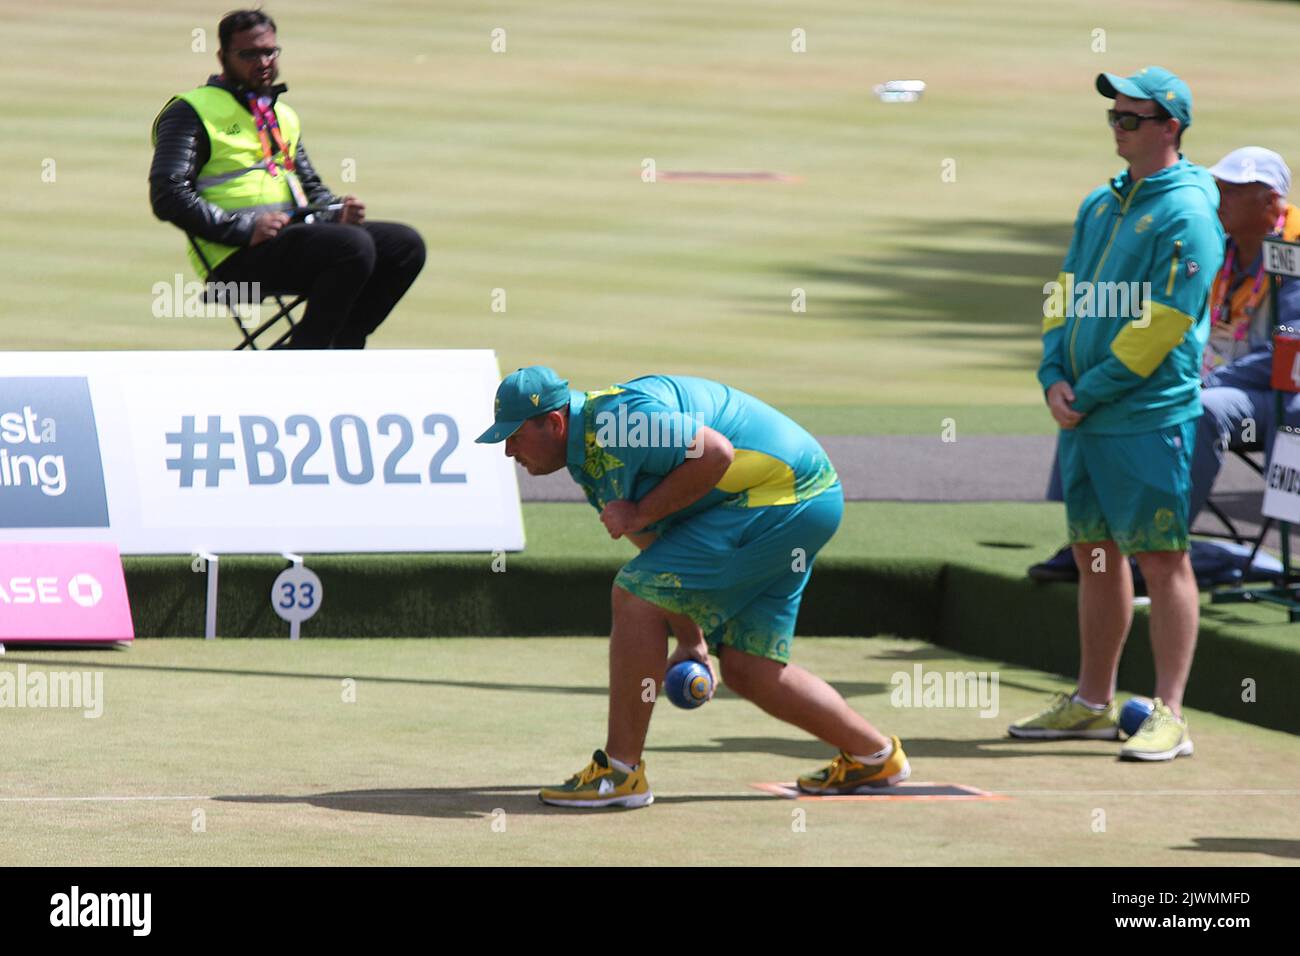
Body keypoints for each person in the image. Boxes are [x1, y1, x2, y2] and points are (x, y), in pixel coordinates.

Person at [476, 366, 910, 807]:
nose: (509, 451)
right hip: (800, 500)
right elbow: (660, 551)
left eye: (514, 436)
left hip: (785, 495)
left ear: (554, 423)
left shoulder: (616, 420)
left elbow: (714, 453)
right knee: (747, 667)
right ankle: (873, 755)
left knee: (633, 592)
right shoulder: (586, 458)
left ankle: (621, 773)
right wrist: (690, 638)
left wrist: (639, 513)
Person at [1014, 67, 1224, 761]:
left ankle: (1171, 714)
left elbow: (1164, 324)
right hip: (1086, 411)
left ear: (1171, 127)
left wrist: (1091, 387)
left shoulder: (1190, 213)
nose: (1118, 127)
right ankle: (1093, 702)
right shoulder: (1100, 205)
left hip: (1146, 416)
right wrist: (1051, 371)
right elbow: (1064, 290)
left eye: (1133, 119)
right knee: (1094, 554)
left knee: (1162, 561)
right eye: (1114, 117)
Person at [1029, 148, 1300, 581]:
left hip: (1277, 395)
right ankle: (1093, 540)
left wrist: (1207, 381)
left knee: (1203, 410)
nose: (1218, 198)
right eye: (1216, 188)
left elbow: (1290, 347)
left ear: (1271, 203)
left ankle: (1156, 542)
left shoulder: (1295, 249)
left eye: (1231, 191)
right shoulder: (1218, 245)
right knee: (1108, 384)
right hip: (1213, 374)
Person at [149, 9, 425, 348]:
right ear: (223, 57)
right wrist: (245, 229)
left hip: (291, 242)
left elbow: (310, 191)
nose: (262, 61)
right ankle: (303, 359)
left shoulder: (281, 115)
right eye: (249, 54)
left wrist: (335, 213)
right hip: (233, 260)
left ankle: (343, 345)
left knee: (404, 245)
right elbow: (168, 195)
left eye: (269, 51)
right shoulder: (190, 111)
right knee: (352, 247)